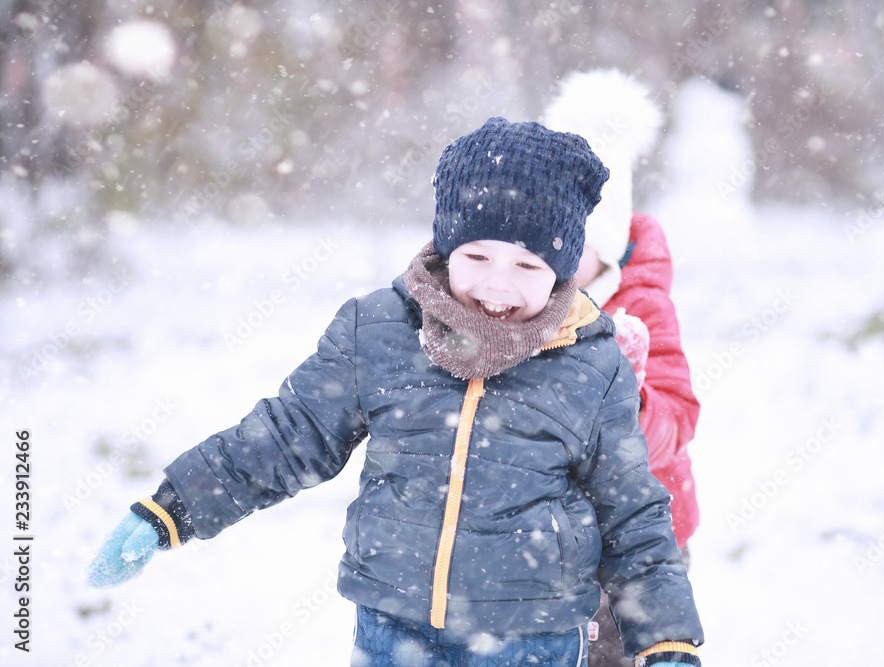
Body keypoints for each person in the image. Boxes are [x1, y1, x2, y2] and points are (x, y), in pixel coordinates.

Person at [87, 116, 703, 667]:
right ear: (445, 246)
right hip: (395, 626)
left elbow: (633, 511)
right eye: (477, 255)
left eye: (527, 266)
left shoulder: (590, 362)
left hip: (530, 638)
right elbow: (289, 434)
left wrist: (665, 638)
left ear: (564, 270)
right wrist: (174, 507)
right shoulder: (380, 331)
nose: (497, 285)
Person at [543, 71, 702, 667]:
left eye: (573, 244)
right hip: (543, 544)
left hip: (638, 545)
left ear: (606, 244)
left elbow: (677, 421)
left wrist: (632, 400)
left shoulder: (640, 303)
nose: (551, 261)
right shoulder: (517, 299)